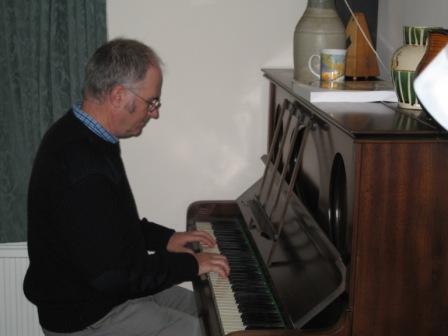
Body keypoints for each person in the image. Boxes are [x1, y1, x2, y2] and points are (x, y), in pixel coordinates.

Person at [24, 38, 230, 336]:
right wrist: (189, 264)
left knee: (214, 310)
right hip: (87, 314)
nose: (155, 112)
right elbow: (114, 274)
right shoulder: (81, 164)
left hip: (109, 292)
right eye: (151, 102)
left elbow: (107, 225)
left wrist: (166, 238)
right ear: (119, 95)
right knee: (206, 330)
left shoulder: (88, 136)